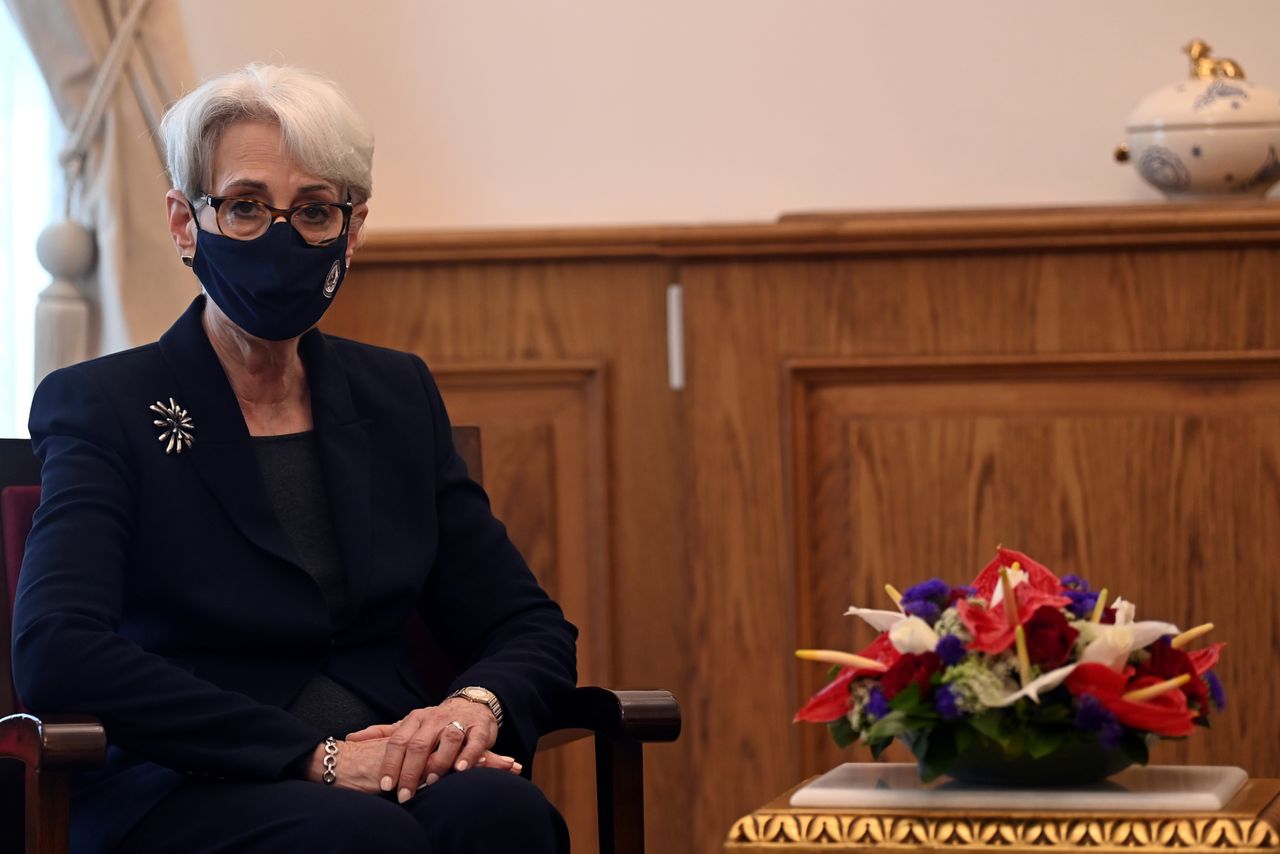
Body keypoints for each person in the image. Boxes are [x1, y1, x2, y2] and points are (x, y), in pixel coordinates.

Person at [11, 64, 577, 854]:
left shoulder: (396, 395)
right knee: (362, 839)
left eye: (313, 211)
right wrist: (317, 757)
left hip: (390, 763)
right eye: (244, 206)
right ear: (184, 222)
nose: (280, 238)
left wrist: (470, 709)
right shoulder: (103, 404)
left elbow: (526, 624)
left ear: (353, 228)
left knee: (503, 816)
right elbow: (58, 648)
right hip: (187, 780)